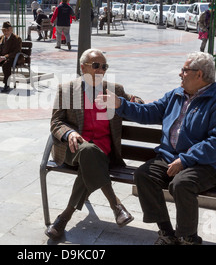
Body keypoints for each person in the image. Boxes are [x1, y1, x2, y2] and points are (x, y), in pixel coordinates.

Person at [96, 52, 216, 245]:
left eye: (184, 70)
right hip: (171, 157)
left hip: (207, 164)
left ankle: (188, 238)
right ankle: (167, 233)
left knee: (181, 184)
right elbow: (149, 112)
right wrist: (121, 104)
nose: (180, 74)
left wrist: (185, 159)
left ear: (199, 74)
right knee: (144, 175)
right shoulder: (176, 95)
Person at [46, 48, 144, 241]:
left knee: (91, 155)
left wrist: (135, 101)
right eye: (96, 66)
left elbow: (134, 102)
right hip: (73, 149)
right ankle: (115, 204)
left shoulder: (114, 90)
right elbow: (56, 123)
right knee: (88, 151)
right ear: (83, 68)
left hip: (104, 149)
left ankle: (64, 217)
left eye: (104, 66)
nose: (101, 70)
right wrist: (69, 132)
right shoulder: (66, 90)